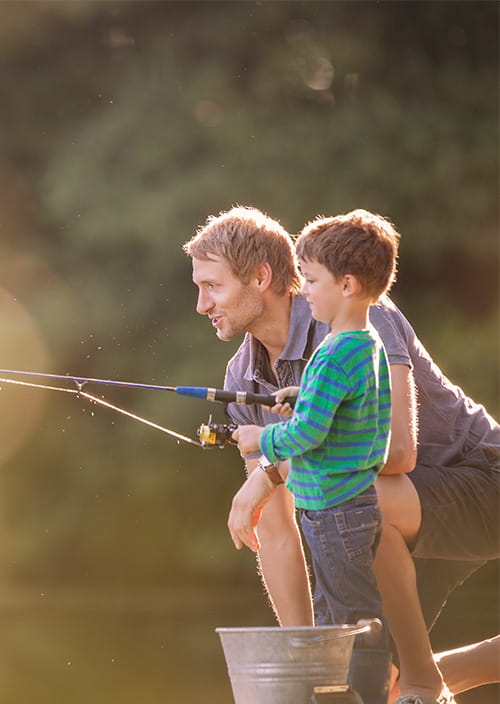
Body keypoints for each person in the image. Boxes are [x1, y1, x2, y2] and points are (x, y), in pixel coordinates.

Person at [182, 206, 500, 704]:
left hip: (482, 481)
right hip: (392, 519)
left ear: (261, 277)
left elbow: (396, 453)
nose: (201, 304)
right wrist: (306, 665)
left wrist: (268, 472)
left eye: (212, 286)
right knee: (365, 684)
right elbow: (277, 527)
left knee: (349, 500)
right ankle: (417, 683)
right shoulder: (243, 377)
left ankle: (420, 680)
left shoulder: (357, 317)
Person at [228, 210, 397, 704]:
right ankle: (339, 692)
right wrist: (304, 392)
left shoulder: (332, 351)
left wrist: (262, 440)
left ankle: (364, 695)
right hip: (352, 505)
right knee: (338, 612)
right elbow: (345, 408)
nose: (305, 290)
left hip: (334, 511)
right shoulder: (364, 346)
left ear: (346, 285)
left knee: (351, 621)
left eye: (313, 280)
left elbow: (307, 434)